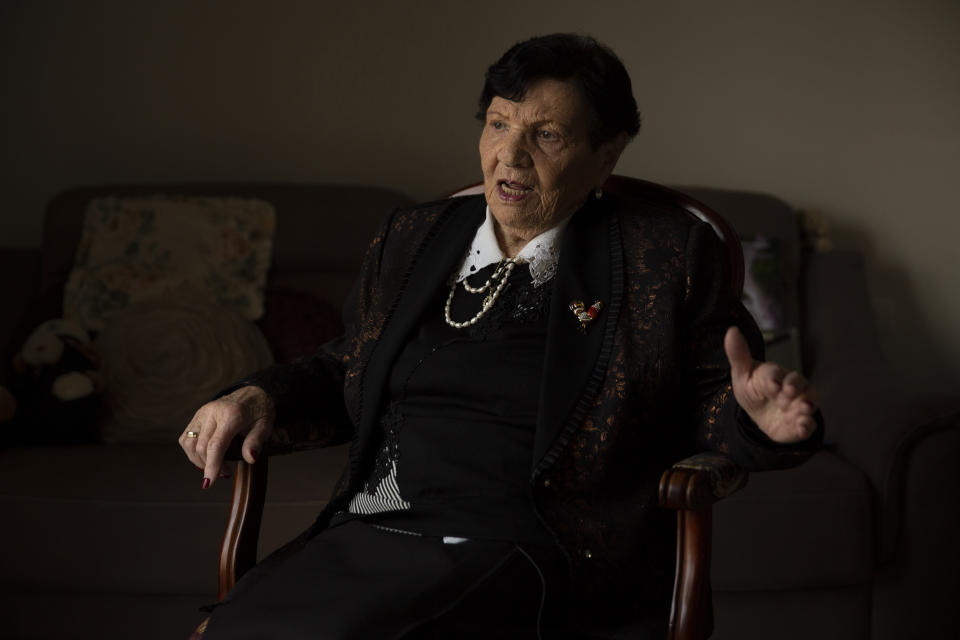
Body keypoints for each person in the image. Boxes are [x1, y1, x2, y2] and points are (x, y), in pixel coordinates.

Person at [180, 33, 822, 639]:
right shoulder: (413, 236)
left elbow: (712, 396)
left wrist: (757, 420)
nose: (509, 157)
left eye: (546, 135)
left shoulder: (665, 255)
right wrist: (255, 398)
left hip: (528, 540)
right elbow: (347, 365)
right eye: (498, 124)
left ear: (607, 154)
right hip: (377, 526)